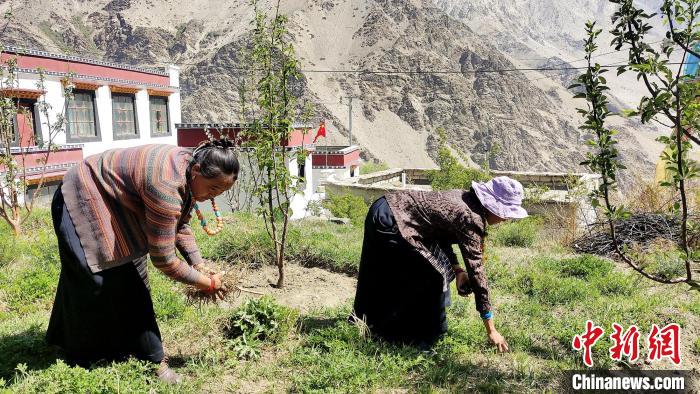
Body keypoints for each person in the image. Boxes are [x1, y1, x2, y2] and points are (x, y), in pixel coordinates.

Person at [46, 140, 238, 383]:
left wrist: (197, 263)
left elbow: (179, 224)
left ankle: (100, 344)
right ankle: (151, 361)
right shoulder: (166, 183)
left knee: (127, 272)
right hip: (83, 193)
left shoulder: (188, 168)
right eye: (212, 189)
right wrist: (206, 283)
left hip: (116, 200)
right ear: (197, 170)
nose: (214, 195)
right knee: (100, 277)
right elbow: (164, 259)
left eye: (221, 192)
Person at [351, 176, 528, 351]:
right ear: (492, 205)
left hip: (384, 206)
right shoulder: (470, 217)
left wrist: (457, 270)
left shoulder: (466, 199)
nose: (506, 219)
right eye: (505, 213)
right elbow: (477, 272)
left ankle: (371, 323)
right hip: (393, 220)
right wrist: (492, 329)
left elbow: (438, 233)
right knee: (429, 276)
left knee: (388, 270)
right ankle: (417, 339)